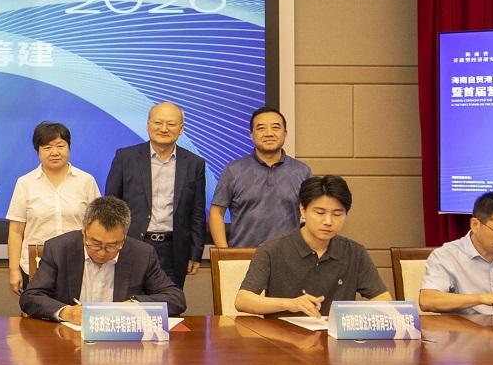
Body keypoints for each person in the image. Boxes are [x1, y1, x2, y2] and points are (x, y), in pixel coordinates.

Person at [236, 174, 392, 317]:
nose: (328, 221)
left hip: (334, 335)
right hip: (283, 336)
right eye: (320, 213)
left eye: (337, 214)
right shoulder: (271, 250)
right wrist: (289, 304)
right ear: (303, 210)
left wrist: (351, 313)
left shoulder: (355, 252)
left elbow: (383, 298)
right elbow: (243, 300)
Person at [21, 195, 187, 323]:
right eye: (95, 243)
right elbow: (31, 297)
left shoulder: (141, 254)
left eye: (112, 246)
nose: (101, 253)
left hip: (120, 344)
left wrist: (135, 305)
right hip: (69, 340)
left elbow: (176, 299)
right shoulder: (59, 249)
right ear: (84, 229)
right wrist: (67, 312)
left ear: (124, 237)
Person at [105, 101, 207, 290]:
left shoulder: (194, 164)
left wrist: (195, 253)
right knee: (128, 302)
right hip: (131, 245)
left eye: (171, 124)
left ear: (181, 129)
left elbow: (197, 213)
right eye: (158, 123)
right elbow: (110, 206)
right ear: (148, 125)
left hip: (173, 251)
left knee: (169, 302)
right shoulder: (125, 158)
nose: (164, 129)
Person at [5, 121, 101, 296]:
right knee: (38, 311)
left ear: (69, 148)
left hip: (78, 263)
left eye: (60, 146)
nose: (55, 152)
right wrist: (13, 270)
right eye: (47, 147)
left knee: (75, 310)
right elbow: (16, 231)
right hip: (35, 265)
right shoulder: (25, 183)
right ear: (38, 151)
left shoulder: (86, 181)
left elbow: (98, 226)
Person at [209, 107, 312, 248]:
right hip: (243, 255)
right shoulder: (233, 170)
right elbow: (217, 212)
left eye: (275, 127)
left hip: (288, 256)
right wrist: (224, 252)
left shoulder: (302, 171)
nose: (269, 133)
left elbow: (313, 214)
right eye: (261, 128)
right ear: (251, 135)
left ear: (285, 133)